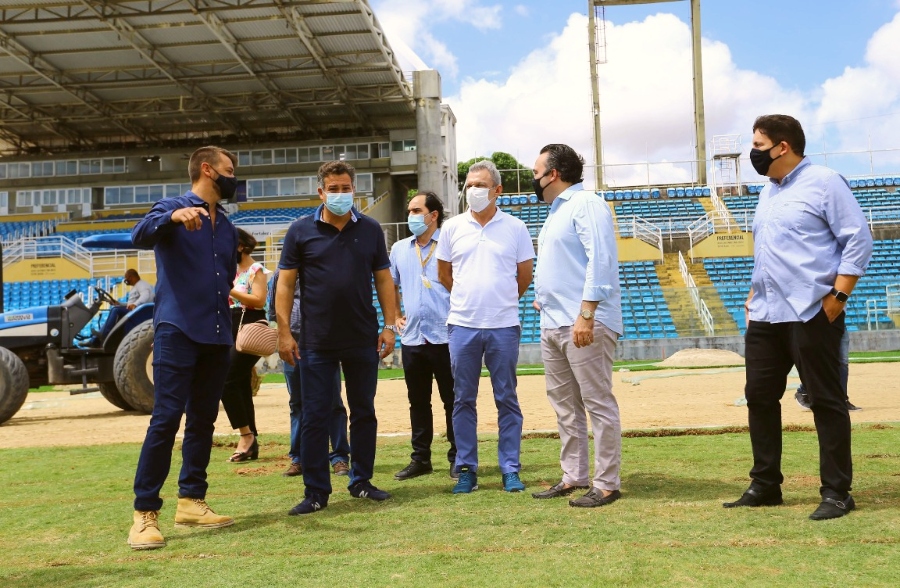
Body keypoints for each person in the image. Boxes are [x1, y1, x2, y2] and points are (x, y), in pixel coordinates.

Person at [723, 115, 873, 521]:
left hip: (812, 311)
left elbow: (858, 237)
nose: (752, 153)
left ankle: (838, 492)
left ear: (782, 146)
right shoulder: (767, 192)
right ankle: (766, 484)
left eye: (757, 145)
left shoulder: (825, 181)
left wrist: (838, 297)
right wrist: (754, 296)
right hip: (767, 314)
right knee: (759, 397)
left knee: (825, 400)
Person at [127, 146, 239, 550]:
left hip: (216, 333)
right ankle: (144, 514)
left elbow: (225, 277)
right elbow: (138, 235)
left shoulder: (226, 226)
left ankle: (192, 500)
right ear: (208, 170)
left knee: (204, 421)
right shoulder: (172, 207)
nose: (233, 178)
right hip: (177, 329)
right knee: (166, 418)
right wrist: (173, 217)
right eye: (229, 170)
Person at [276, 160, 398, 515]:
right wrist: (284, 332)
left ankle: (361, 481)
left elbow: (384, 280)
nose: (341, 194)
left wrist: (389, 325)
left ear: (354, 190)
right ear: (321, 191)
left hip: (362, 338)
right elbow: (284, 284)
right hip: (315, 340)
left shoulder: (372, 230)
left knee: (363, 412)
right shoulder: (300, 231)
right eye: (334, 188)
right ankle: (316, 491)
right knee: (315, 415)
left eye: (347, 188)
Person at [530, 144, 624, 508]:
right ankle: (574, 475)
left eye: (537, 171)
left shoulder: (586, 204)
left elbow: (600, 259)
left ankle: (607, 483)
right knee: (565, 405)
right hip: (553, 320)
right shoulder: (556, 212)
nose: (534, 178)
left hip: (583, 322)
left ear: (553, 174)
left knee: (597, 402)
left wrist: (586, 314)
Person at [436, 159, 535, 494]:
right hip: (462, 325)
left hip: (503, 325)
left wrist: (499, 301)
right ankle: (467, 468)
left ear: (497, 190)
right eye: (469, 185)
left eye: (480, 185)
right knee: (463, 399)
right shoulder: (451, 228)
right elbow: (444, 275)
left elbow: (524, 277)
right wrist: (470, 299)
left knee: (506, 398)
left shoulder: (516, 228)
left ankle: (510, 468)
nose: (473, 190)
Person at [390, 191, 457, 481]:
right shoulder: (399, 248)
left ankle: (459, 457)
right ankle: (421, 459)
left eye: (417, 211)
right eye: (409, 211)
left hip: (447, 335)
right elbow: (389, 283)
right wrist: (394, 317)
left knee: (454, 401)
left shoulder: (450, 244)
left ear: (433, 216)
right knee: (417, 401)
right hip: (413, 338)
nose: (411, 216)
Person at [267, 269, 351, 478]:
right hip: (292, 343)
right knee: (297, 403)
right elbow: (272, 310)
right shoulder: (281, 274)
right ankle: (299, 458)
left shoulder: (324, 268)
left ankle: (339, 456)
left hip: (324, 343)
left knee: (333, 402)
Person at [220, 228, 269, 462]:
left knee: (226, 379)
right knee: (237, 382)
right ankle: (251, 439)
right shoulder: (228, 270)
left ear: (240, 246)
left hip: (250, 326)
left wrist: (227, 289)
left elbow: (259, 300)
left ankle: (245, 435)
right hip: (230, 326)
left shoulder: (255, 270)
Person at [795, 329, 860, 411]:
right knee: (821, 360)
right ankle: (803, 391)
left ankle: (842, 400)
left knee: (842, 362)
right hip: (820, 325)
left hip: (839, 324)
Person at [87, 269, 154, 346]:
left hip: (139, 313)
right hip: (136, 311)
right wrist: (119, 303)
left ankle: (104, 334)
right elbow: (130, 304)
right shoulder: (136, 286)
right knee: (116, 308)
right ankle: (94, 340)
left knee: (115, 310)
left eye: (126, 278)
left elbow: (145, 295)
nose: (125, 280)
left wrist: (135, 304)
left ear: (131, 277)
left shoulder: (142, 285)